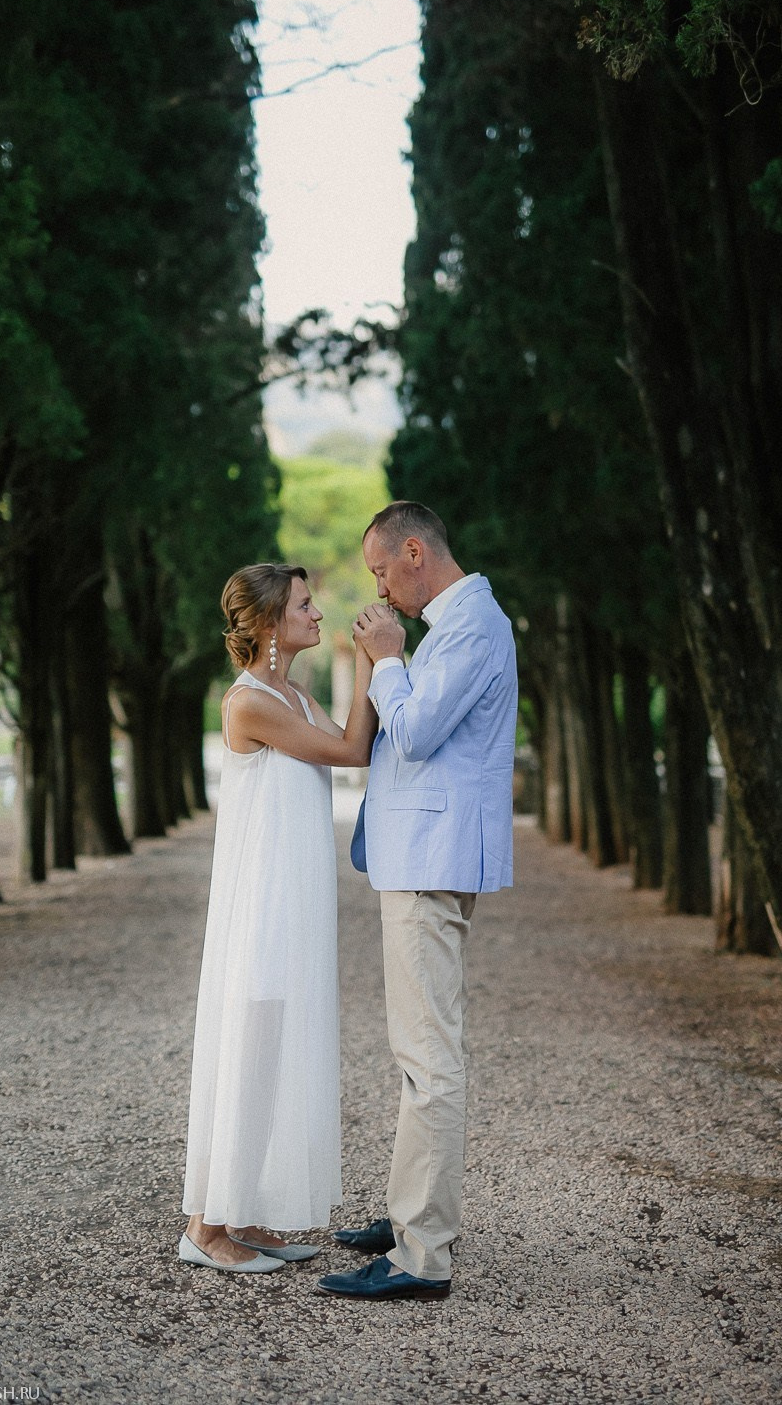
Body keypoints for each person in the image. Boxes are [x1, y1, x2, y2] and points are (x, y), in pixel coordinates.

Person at [317, 502, 518, 1302]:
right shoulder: (454, 623)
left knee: (430, 1060)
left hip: (431, 863)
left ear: (412, 551)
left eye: (379, 570)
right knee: (417, 1054)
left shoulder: (470, 624)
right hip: (420, 857)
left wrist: (389, 659)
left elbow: (421, 732)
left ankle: (420, 1255)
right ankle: (409, 1216)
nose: (379, 585)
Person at [180, 563, 378, 1275]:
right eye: (303, 604)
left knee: (270, 1054)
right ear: (269, 623)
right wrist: (370, 660)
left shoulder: (292, 693)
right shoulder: (250, 703)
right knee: (249, 1048)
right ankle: (206, 1229)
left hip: (292, 899)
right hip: (262, 903)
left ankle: (243, 1210)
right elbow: (351, 749)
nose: (318, 613)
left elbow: (358, 748)